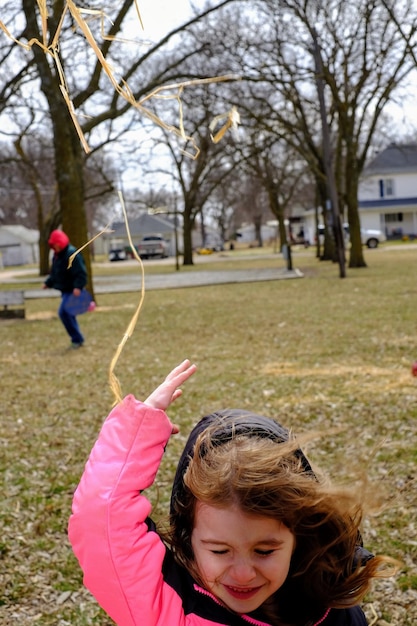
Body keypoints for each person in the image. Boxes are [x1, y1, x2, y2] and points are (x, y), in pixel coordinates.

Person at [69, 360, 398, 626]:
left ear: (298, 537)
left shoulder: (332, 612)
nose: (242, 574)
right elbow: (100, 521)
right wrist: (136, 430)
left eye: (265, 551)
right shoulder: (167, 608)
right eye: (220, 551)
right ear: (189, 537)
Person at [43, 229, 87, 349]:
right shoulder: (57, 256)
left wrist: (78, 287)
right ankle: (78, 339)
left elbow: (81, 273)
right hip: (65, 290)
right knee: (69, 315)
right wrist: (48, 283)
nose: (55, 247)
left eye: (57, 244)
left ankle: (77, 339)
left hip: (73, 290)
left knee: (64, 313)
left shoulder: (72, 254)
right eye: (53, 245)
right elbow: (55, 273)